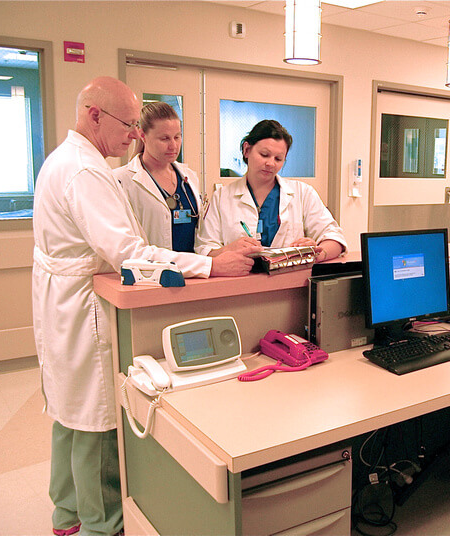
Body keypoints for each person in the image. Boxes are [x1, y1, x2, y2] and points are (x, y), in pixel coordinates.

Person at [32, 77, 254, 536]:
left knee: (69, 411)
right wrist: (210, 266)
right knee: (95, 418)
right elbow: (129, 252)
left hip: (62, 301)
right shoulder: (87, 171)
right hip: (83, 306)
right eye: (129, 124)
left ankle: (67, 513)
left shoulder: (68, 158)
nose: (135, 133)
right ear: (95, 115)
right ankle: (102, 525)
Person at [194, 119, 347, 261]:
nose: (271, 164)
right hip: (239, 278)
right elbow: (204, 250)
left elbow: (335, 238)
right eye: (264, 155)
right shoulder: (221, 197)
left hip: (291, 278)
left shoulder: (303, 193)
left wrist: (315, 254)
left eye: (278, 159)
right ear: (246, 150)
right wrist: (228, 250)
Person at [115, 101, 201, 252]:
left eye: (177, 137)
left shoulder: (189, 177)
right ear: (142, 135)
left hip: (194, 264)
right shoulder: (121, 180)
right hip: (151, 265)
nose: (173, 146)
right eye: (164, 139)